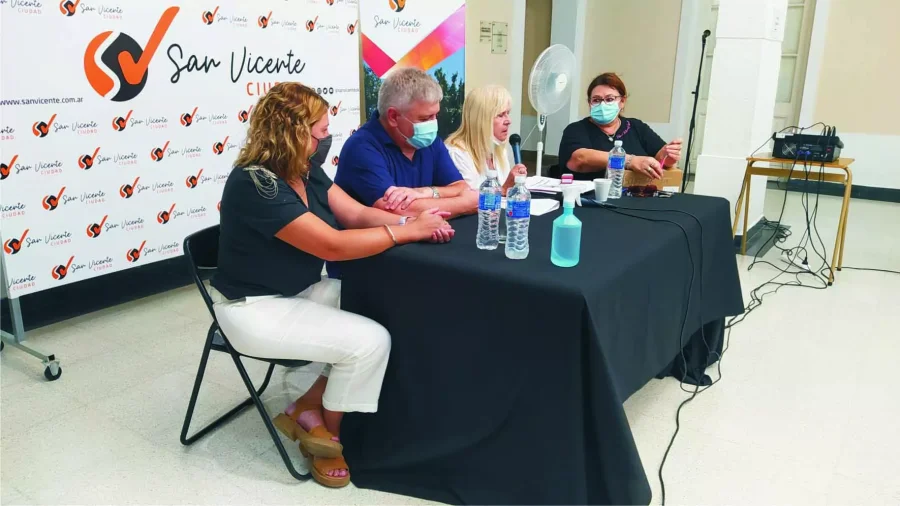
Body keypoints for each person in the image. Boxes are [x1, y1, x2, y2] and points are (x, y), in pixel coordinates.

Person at [210, 83, 454, 489]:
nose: (326, 139)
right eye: (320, 132)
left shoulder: (305, 170)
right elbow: (334, 245)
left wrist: (411, 223)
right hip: (253, 309)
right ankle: (329, 434)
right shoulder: (257, 184)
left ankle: (307, 408)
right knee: (370, 341)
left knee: (392, 306)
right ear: (292, 132)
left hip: (299, 292)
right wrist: (408, 234)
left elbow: (356, 214)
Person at [335, 67, 478, 216]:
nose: (433, 124)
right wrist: (467, 203)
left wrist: (427, 192)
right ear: (393, 117)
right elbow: (397, 210)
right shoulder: (361, 148)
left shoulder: (429, 140)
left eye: (436, 115)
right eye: (424, 118)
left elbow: (460, 187)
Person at [558, 72, 683, 181]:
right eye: (596, 100)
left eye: (609, 99)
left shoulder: (636, 127)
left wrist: (668, 155)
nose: (603, 105)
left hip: (637, 198)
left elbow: (660, 160)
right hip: (590, 200)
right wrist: (630, 161)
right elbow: (580, 159)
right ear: (589, 103)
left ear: (622, 102)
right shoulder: (576, 129)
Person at [445, 85, 528, 195]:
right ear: (480, 119)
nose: (508, 121)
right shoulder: (457, 152)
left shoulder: (497, 147)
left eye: (508, 113)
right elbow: (468, 198)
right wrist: (504, 188)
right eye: (500, 115)